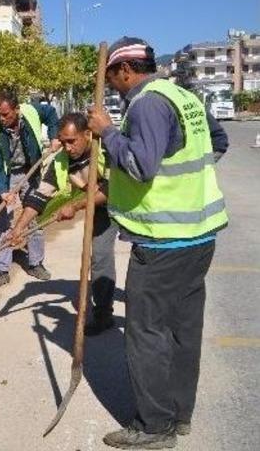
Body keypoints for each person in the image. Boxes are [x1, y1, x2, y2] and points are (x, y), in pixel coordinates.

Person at [87, 36, 229, 449]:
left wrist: (110, 133)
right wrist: (184, 182)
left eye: (114, 77)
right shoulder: (183, 96)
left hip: (163, 241)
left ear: (125, 70)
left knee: (146, 333)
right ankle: (179, 415)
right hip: (198, 236)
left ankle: (153, 427)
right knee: (184, 331)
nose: (113, 85)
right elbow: (217, 144)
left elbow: (141, 166)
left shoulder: (147, 103)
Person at [6, 113, 117, 335]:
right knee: (100, 258)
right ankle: (104, 313)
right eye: (63, 141)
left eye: (71, 141)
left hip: (126, 203)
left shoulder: (107, 148)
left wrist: (75, 206)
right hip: (99, 209)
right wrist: (19, 228)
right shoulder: (61, 161)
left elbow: (112, 190)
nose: (66, 147)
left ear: (87, 134)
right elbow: (39, 196)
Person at [0, 90, 52, 288]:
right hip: (7, 177)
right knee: (4, 222)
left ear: (17, 110)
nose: (2, 118)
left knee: (33, 219)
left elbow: (51, 115)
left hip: (30, 171)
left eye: (6, 114)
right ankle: (1, 270)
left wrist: (55, 135)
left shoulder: (31, 111)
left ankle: (36, 263)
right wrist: (2, 190)